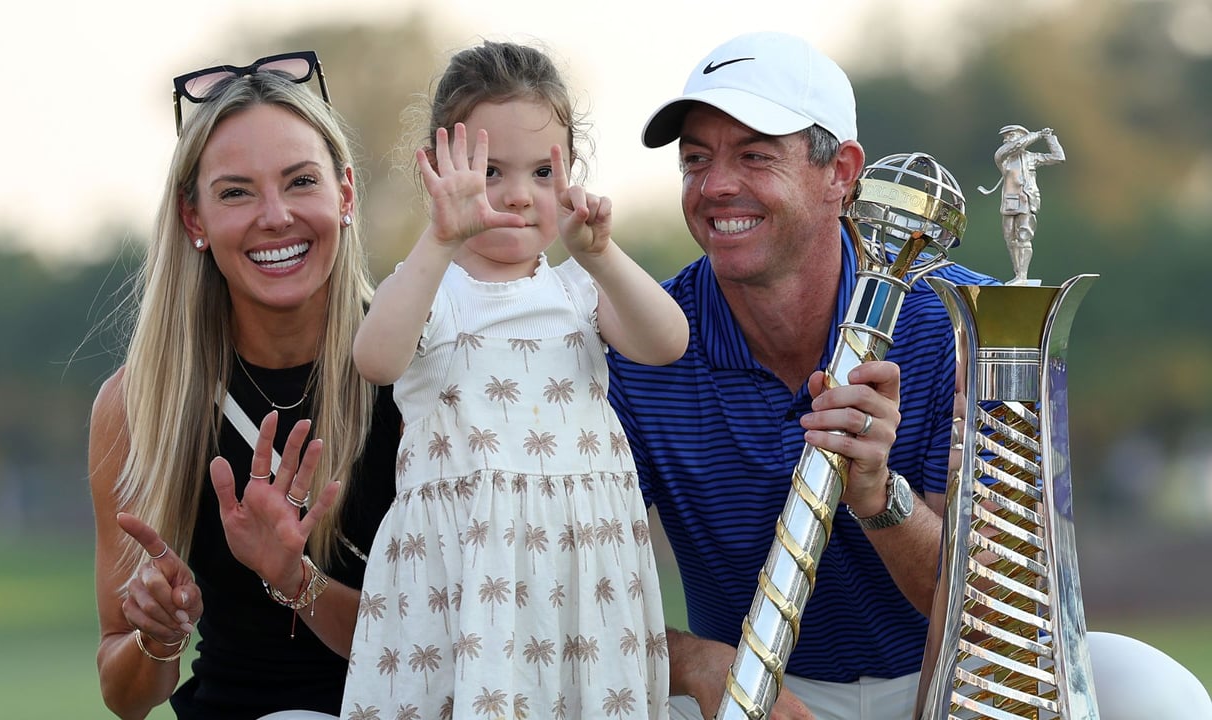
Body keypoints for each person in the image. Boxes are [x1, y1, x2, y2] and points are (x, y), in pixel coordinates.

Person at [606, 32, 998, 720]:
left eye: (755, 156)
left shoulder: (963, 324)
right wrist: (702, 660)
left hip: (953, 673)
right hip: (755, 686)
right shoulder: (640, 347)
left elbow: (994, 605)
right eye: (695, 159)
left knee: (1150, 691)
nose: (715, 186)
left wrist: (880, 499)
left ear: (842, 173)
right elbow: (581, 595)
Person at [340, 40, 688, 720]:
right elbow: (374, 360)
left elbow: (667, 341)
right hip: (471, 578)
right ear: (437, 170)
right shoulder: (435, 293)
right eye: (489, 170)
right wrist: (437, 240)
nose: (515, 195)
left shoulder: (577, 289)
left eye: (539, 173)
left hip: (580, 573)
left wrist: (605, 255)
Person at [89, 52, 400, 720]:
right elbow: (125, 696)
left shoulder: (423, 369)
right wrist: (156, 636)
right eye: (236, 192)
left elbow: (458, 646)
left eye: (300, 182)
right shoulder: (137, 403)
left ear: (344, 195)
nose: (275, 216)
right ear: (194, 220)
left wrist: (297, 581)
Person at [978, 124, 1065, 284]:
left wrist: (1049, 138)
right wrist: (1037, 134)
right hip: (1009, 202)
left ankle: (1022, 276)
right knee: (1009, 237)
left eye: (1010, 135)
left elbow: (1059, 157)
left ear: (1021, 135)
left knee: (1024, 236)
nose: (1006, 139)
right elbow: (1016, 146)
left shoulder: (1032, 157)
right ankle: (1018, 274)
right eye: (1005, 137)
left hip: (1027, 200)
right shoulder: (1002, 157)